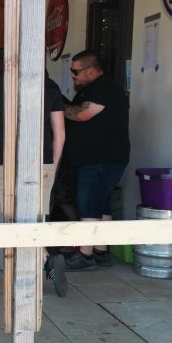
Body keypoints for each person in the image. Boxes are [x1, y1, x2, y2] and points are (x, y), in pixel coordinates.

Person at [0, 68, 68, 296]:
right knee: (35, 221)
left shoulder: (0, 78)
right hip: (43, 162)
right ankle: (44, 261)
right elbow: (60, 132)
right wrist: (52, 165)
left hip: (9, 161)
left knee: (13, 221)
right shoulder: (51, 86)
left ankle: (30, 276)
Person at [62, 50, 130, 270]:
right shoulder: (90, 90)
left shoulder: (105, 87)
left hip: (101, 158)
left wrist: (55, 104)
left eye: (75, 71)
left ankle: (85, 255)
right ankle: (101, 251)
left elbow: (82, 114)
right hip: (97, 158)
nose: (72, 76)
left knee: (89, 203)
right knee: (101, 203)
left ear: (90, 70)